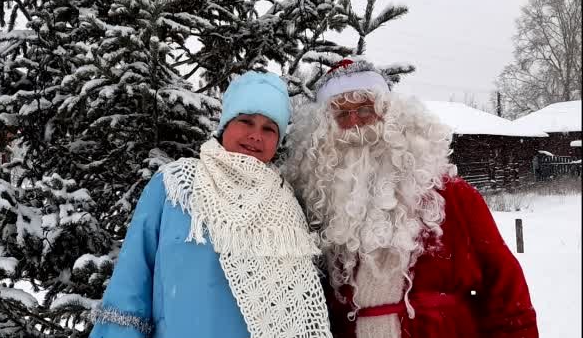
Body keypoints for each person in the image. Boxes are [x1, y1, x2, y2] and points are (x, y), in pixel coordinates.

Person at [283, 58, 539, 338]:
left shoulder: (453, 197)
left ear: (392, 116)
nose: (355, 124)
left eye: (366, 109)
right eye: (342, 115)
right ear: (324, 133)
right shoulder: (319, 211)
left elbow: (507, 295)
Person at [89, 71, 332, 338]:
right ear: (225, 124)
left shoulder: (288, 206)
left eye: (269, 129)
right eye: (246, 121)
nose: (256, 136)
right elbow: (131, 284)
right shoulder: (176, 185)